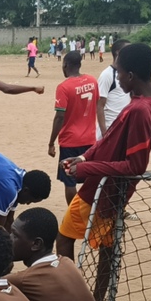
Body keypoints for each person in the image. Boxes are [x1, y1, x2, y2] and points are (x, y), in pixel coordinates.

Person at [55, 44, 151, 301]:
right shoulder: (142, 103)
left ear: (130, 75)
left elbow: (135, 166)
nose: (118, 77)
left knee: (66, 239)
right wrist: (84, 157)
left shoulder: (140, 109)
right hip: (107, 188)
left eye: (120, 72)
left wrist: (88, 168)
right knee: (107, 249)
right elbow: (111, 139)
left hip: (104, 190)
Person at [47, 49, 100, 205]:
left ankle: (73, 212)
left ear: (65, 65)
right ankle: (90, 210)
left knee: (69, 181)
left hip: (70, 141)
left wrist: (51, 142)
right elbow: (97, 104)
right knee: (89, 179)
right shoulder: (92, 81)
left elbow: (60, 116)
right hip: (90, 139)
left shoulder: (64, 87)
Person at [95, 38, 130, 140]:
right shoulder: (107, 75)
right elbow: (99, 105)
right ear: (118, 53)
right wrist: (105, 133)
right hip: (110, 128)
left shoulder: (128, 74)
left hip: (123, 127)